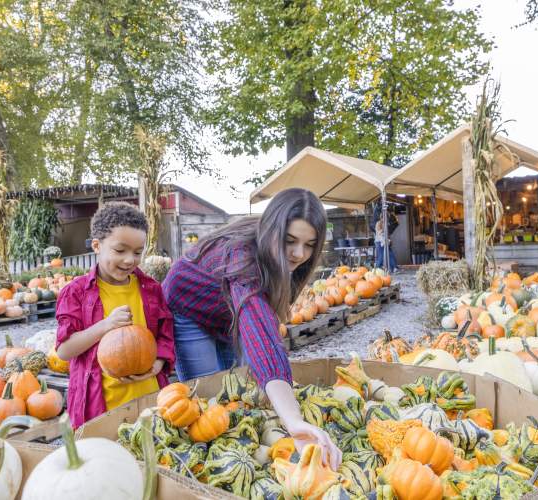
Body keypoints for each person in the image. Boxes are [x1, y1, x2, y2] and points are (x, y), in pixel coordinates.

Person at [162, 188, 342, 470]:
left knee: (242, 388)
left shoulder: (281, 259)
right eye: (290, 241)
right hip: (189, 310)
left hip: (227, 312)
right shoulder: (243, 256)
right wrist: (294, 421)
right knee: (210, 398)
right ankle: (210, 469)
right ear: (273, 230)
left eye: (309, 245)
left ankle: (245, 453)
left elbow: (262, 323)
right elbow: (262, 336)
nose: (299, 253)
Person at [55, 202, 175, 428]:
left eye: (138, 252)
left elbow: (165, 336)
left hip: (150, 400)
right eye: (120, 251)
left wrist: (158, 364)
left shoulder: (151, 289)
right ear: (97, 245)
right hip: (101, 407)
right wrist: (105, 325)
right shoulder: (76, 293)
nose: (130, 259)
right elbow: (64, 350)